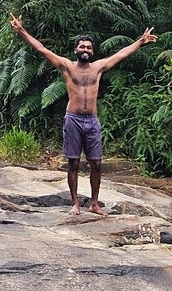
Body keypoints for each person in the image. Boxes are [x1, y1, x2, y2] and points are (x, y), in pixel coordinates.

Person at [8, 17, 157, 215]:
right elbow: (42, 50)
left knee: (96, 163)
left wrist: (140, 41)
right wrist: (22, 31)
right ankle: (75, 204)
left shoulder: (99, 67)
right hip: (73, 119)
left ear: (92, 51)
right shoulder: (67, 66)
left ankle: (94, 203)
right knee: (74, 162)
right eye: (82, 47)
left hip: (92, 121)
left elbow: (121, 54)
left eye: (88, 47)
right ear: (76, 50)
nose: (85, 50)